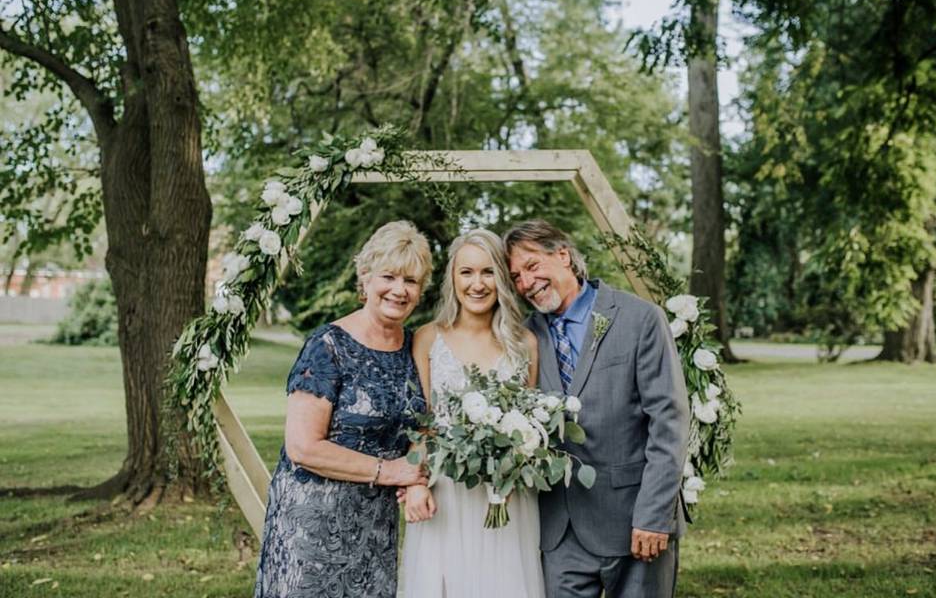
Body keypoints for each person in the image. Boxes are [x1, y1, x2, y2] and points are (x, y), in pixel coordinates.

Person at [504, 220, 690, 598]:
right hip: (559, 530)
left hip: (635, 521)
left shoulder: (641, 319)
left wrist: (654, 516)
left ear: (563, 256)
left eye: (532, 265)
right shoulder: (523, 337)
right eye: (516, 276)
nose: (526, 282)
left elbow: (669, 423)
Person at [254, 221, 432, 598]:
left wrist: (415, 474)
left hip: (374, 529)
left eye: (411, 281)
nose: (399, 290)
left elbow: (421, 425)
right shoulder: (328, 346)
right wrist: (390, 471)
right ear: (365, 278)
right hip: (312, 528)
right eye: (389, 276)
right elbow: (303, 448)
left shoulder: (415, 348)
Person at [400, 228, 545, 598]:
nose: (477, 284)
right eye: (466, 272)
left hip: (505, 496)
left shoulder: (524, 344)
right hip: (446, 492)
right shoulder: (428, 338)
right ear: (452, 277)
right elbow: (422, 422)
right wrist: (415, 483)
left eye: (488, 272)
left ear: (502, 278)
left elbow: (528, 423)